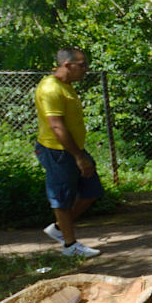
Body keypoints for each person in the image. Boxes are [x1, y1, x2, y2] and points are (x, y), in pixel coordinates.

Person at [34, 47, 103, 257]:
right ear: (67, 65)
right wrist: (79, 157)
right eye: (82, 65)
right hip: (57, 151)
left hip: (72, 149)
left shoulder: (66, 86)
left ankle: (59, 228)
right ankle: (70, 245)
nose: (86, 69)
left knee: (92, 191)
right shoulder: (50, 89)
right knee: (62, 199)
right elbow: (57, 127)